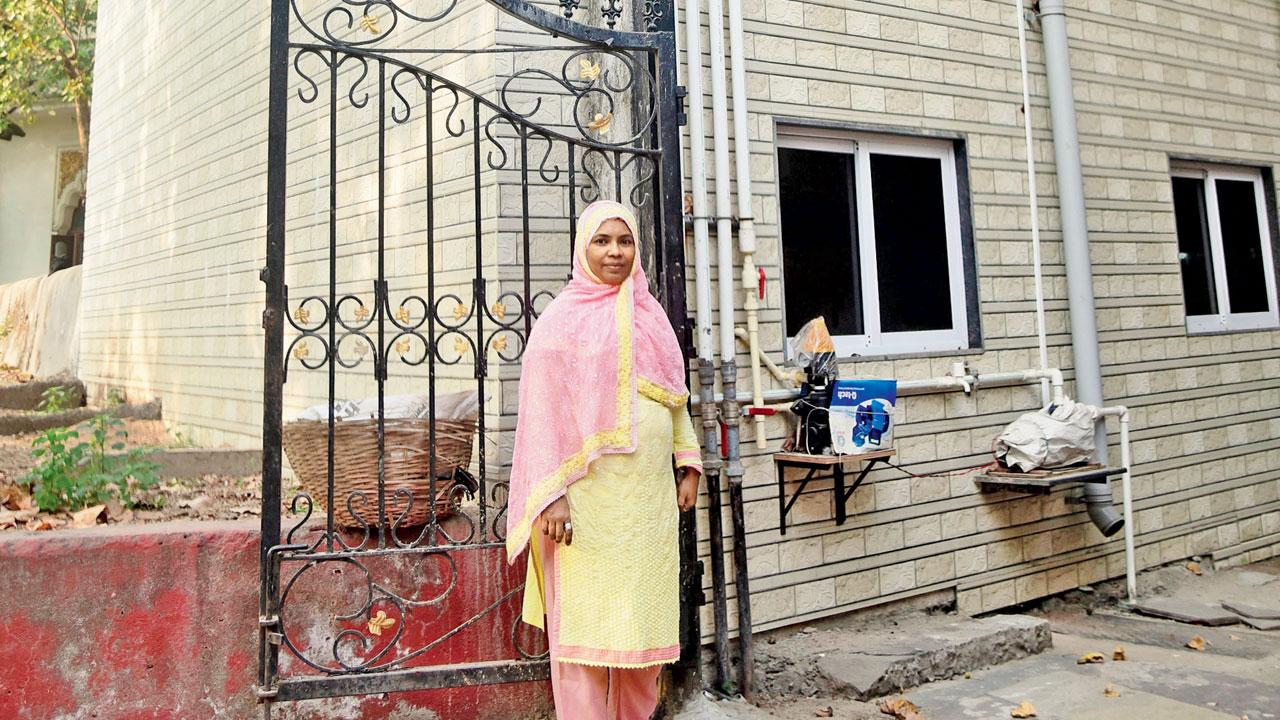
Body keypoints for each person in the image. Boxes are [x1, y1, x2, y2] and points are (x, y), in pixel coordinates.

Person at [506, 200, 703, 720]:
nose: (614, 251)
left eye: (624, 241)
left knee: (642, 637)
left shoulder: (652, 317)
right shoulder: (559, 323)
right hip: (584, 510)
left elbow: (674, 400)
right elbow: (543, 417)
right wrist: (552, 497)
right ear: (582, 248)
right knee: (583, 642)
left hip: (645, 510)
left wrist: (688, 463)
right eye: (602, 241)